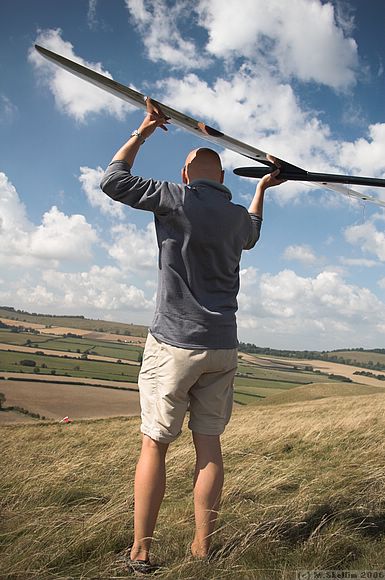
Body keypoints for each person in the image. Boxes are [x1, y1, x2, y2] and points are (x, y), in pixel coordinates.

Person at [100, 107, 284, 574]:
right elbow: (255, 234)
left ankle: (141, 552)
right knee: (209, 449)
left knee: (154, 446)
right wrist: (261, 188)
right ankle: (203, 547)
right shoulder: (236, 217)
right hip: (223, 347)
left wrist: (142, 132)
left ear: (185, 173)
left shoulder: (174, 197)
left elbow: (113, 180)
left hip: (174, 344)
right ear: (223, 178)